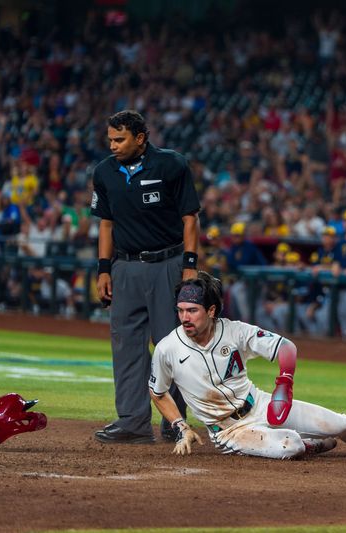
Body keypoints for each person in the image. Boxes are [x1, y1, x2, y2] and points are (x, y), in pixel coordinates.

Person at [149, 271, 346, 459]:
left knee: (340, 424)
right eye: (181, 310)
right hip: (230, 431)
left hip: (260, 405)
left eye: (192, 310)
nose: (184, 317)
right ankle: (308, 445)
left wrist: (285, 382)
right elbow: (158, 392)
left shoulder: (235, 331)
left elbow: (286, 347)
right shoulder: (167, 348)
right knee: (288, 445)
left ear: (210, 311)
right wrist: (181, 426)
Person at [91, 110, 200, 444]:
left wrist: (190, 265)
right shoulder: (104, 172)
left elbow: (190, 219)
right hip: (124, 268)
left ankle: (174, 421)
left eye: (120, 139)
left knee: (172, 345)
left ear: (141, 138)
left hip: (167, 263)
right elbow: (106, 225)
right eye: (110, 139)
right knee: (125, 345)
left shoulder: (171, 165)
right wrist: (104, 269)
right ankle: (133, 421)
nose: (113, 145)